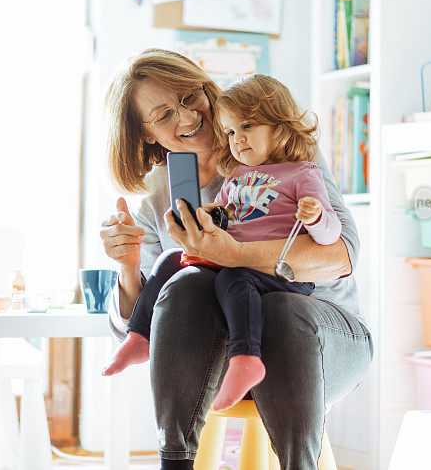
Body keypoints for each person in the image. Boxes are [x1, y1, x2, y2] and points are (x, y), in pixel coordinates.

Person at [100, 49, 372, 470]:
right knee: (183, 279)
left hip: (323, 340)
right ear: (146, 134)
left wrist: (236, 255)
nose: (188, 118)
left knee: (280, 307)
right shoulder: (160, 197)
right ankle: (174, 461)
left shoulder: (279, 151)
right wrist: (128, 266)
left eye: (189, 98)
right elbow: (152, 318)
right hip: (220, 363)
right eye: (164, 114)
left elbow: (340, 255)